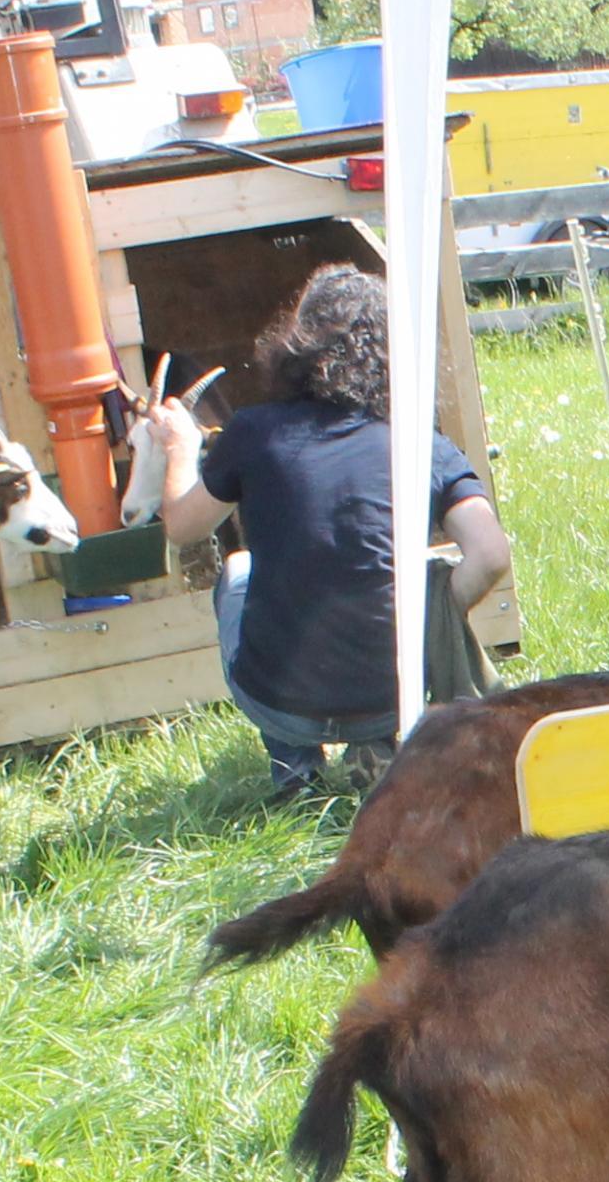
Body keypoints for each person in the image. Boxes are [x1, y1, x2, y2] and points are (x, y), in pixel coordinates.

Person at [141, 266, 513, 796]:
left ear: (297, 345)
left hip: (281, 703)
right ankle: (375, 743)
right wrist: (433, 608)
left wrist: (181, 447)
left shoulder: (254, 431)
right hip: (393, 697)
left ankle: (295, 769)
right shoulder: (418, 442)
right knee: (410, 575)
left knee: (238, 569)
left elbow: (181, 527)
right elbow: (491, 554)